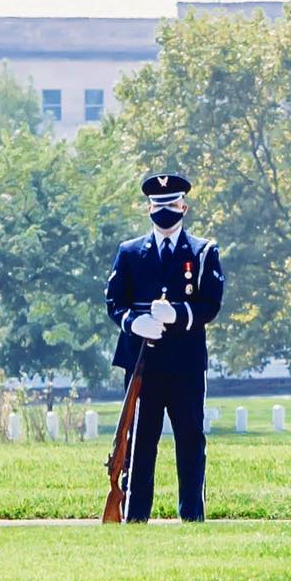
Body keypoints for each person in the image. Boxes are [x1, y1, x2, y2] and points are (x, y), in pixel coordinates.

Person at [106, 173, 225, 521]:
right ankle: (135, 515)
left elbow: (211, 304)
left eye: (171, 204)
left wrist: (179, 314)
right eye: (158, 206)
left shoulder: (203, 251)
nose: (165, 211)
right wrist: (133, 322)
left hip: (185, 363)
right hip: (142, 362)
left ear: (184, 206)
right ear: (148, 208)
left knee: (190, 440)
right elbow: (115, 301)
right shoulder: (129, 253)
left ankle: (192, 515)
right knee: (141, 442)